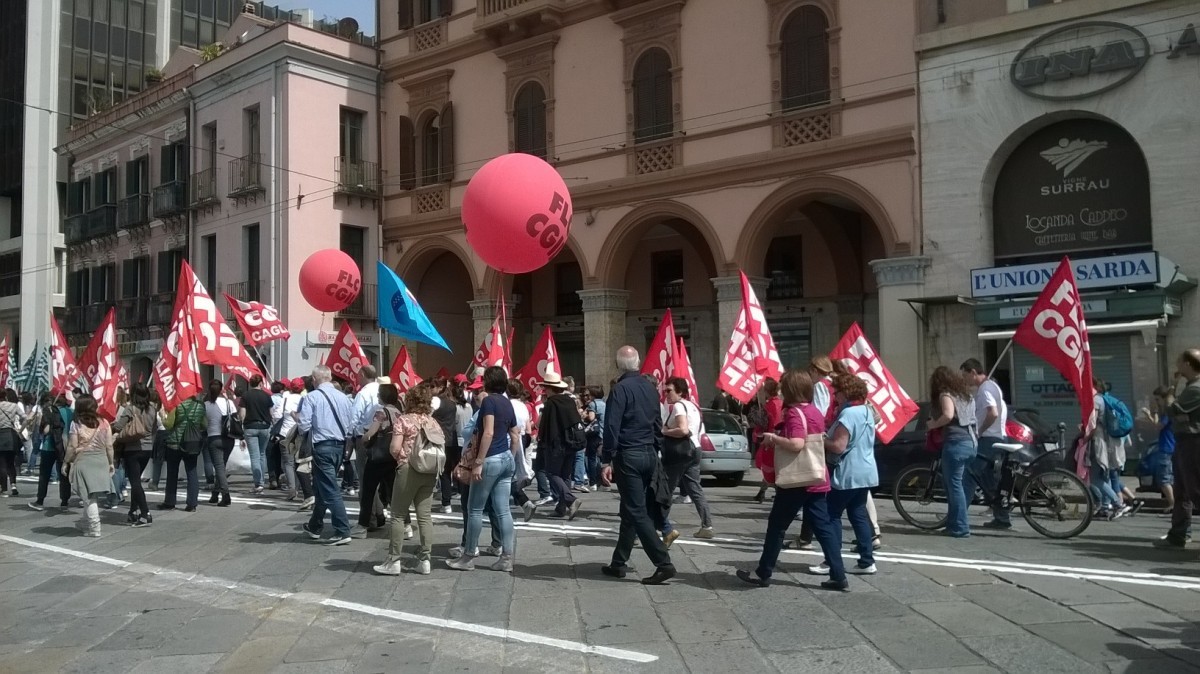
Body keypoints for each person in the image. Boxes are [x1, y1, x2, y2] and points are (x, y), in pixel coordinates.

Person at [738, 369, 846, 590]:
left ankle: (763, 572)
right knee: (823, 527)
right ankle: (839, 575)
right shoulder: (814, 411)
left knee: (777, 526)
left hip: (797, 480)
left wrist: (774, 438)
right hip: (816, 477)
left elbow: (797, 444)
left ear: (790, 389)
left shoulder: (796, 413)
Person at [600, 346, 675, 585]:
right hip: (649, 452)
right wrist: (656, 448)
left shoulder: (619, 389)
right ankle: (618, 562)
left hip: (629, 454)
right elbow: (657, 422)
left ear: (617, 364)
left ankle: (663, 563)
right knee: (631, 508)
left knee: (635, 510)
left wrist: (606, 458)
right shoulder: (650, 388)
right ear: (638, 361)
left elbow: (612, 426)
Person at [448, 367, 520, 572]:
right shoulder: (507, 402)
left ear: (488, 382)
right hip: (506, 458)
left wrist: (479, 461)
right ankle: (506, 558)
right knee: (503, 510)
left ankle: (469, 556)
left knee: (475, 509)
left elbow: (487, 432)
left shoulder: (489, 401)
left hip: (490, 458)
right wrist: (512, 459)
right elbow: (515, 435)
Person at [811, 374, 879, 578]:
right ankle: (867, 560)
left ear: (846, 392)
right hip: (866, 470)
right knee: (858, 514)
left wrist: (820, 439)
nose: (835, 396)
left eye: (837, 392)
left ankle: (831, 561)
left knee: (830, 515)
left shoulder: (848, 414)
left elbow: (838, 446)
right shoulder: (867, 411)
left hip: (848, 472)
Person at [375, 383, 444, 576]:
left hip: (409, 468)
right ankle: (425, 559)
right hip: (430, 470)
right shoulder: (433, 422)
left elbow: (395, 448)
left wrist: (400, 459)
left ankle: (394, 560)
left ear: (410, 400)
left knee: (397, 514)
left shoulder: (403, 420)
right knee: (425, 516)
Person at [299, 365, 357, 545]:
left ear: (314, 380)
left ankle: (342, 530)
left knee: (330, 489)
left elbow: (304, 425)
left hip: (322, 446)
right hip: (340, 446)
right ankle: (315, 525)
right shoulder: (344, 397)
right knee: (321, 486)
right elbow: (351, 423)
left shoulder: (312, 397)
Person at [659, 377, 714, 539]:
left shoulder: (678, 406)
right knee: (695, 489)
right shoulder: (693, 406)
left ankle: (660, 525)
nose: (666, 394)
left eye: (669, 391)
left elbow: (683, 430)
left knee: (666, 489)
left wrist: (664, 431)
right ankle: (707, 525)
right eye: (665, 391)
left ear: (680, 392)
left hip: (680, 452)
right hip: (695, 449)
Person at [928, 366, 978, 538]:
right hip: (971, 442)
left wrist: (933, 424)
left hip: (956, 443)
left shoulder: (946, 394)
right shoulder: (965, 395)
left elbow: (948, 415)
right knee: (958, 485)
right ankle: (952, 524)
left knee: (954, 486)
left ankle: (961, 527)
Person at [960, 359, 1010, 529]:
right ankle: (1002, 517)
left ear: (973, 372)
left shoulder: (985, 389)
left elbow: (993, 413)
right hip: (998, 438)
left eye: (965, 375)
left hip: (988, 439)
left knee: (969, 475)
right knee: (990, 480)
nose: (964, 379)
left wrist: (979, 432)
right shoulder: (993, 387)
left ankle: (959, 518)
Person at [1159, 349, 1200, 548]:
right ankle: (1179, 534)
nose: (1177, 364)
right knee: (1182, 490)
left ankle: (1180, 534)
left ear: (1189, 365)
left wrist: (1172, 390)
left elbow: (1171, 409)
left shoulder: (1196, 389)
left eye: (1180, 361)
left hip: (1193, 443)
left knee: (1195, 490)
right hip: (1184, 441)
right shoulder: (1191, 386)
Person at [63, 395, 114, 537]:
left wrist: (66, 462)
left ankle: (94, 526)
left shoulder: (76, 423)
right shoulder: (104, 422)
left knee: (87, 496)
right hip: (101, 460)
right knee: (92, 495)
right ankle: (85, 523)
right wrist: (111, 462)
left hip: (84, 461)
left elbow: (72, 445)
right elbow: (109, 445)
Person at [536, 373, 585, 521]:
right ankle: (561, 508)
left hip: (556, 444)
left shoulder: (551, 403)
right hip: (571, 443)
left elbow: (544, 426)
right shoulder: (569, 401)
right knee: (565, 475)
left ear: (550, 389)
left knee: (552, 473)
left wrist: (542, 441)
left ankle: (570, 500)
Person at [111, 384, 157, 527]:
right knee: (135, 480)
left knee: (135, 482)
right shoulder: (152, 409)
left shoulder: (130, 409)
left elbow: (119, 426)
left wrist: (112, 426)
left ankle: (145, 513)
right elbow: (154, 429)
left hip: (133, 448)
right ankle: (132, 512)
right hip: (148, 449)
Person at [359, 382, 401, 532]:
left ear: (383, 396)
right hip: (393, 457)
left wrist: (363, 439)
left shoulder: (381, 412)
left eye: (379, 394)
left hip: (378, 457)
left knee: (368, 491)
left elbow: (371, 433)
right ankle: (405, 524)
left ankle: (363, 524)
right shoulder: (398, 412)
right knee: (395, 493)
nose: (377, 396)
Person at [159, 392, 206, 512]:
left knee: (172, 473)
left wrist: (163, 416)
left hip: (175, 443)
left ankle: (170, 501)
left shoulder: (176, 405)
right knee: (192, 472)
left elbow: (169, 425)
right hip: (191, 443)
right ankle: (192, 504)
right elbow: (205, 425)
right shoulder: (200, 405)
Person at [1088, 378, 1125, 519]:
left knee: (1095, 478)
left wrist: (1084, 436)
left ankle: (1117, 503)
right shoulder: (1101, 399)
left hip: (1099, 442)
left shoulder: (1096, 401)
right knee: (1104, 476)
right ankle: (1105, 507)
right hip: (1106, 442)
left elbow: (1093, 424)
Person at [30, 394, 72, 511]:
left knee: (44, 475)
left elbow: (46, 430)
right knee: (64, 474)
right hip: (64, 446)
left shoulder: (49, 411)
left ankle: (40, 501)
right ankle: (64, 501)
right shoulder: (70, 412)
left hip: (49, 446)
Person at [1142, 386, 1177, 514]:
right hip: (1169, 447)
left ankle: (1173, 503)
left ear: (1164, 398)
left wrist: (1150, 415)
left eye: (1158, 399)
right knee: (1169, 477)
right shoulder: (1166, 411)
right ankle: (1174, 502)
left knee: (1163, 479)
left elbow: (1158, 427)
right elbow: (1158, 425)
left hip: (1167, 447)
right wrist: (1154, 414)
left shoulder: (1168, 411)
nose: (1156, 402)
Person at [239, 374, 275, 495]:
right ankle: (262, 482)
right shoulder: (267, 396)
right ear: (261, 384)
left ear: (250, 384)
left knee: (254, 456)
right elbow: (272, 413)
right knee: (262, 454)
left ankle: (258, 484)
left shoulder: (246, 395)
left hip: (250, 427)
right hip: (265, 426)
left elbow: (242, 414)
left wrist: (242, 425)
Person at [349, 366, 381, 498]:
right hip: (382, 436)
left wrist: (349, 438)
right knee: (379, 474)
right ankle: (380, 505)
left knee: (364, 474)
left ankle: (367, 510)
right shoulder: (382, 390)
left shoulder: (363, 393)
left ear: (362, 374)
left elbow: (354, 418)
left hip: (364, 437)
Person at [203, 380, 235, 507]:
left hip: (213, 437)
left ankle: (225, 495)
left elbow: (203, 424)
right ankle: (215, 494)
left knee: (219, 467)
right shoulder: (229, 402)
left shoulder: (206, 405)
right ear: (222, 389)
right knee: (221, 466)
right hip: (229, 438)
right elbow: (236, 418)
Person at [753, 379, 784, 503]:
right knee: (771, 466)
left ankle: (775, 492)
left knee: (770, 466)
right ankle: (763, 491)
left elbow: (773, 423)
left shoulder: (771, 405)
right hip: (776, 437)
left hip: (770, 438)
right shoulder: (780, 403)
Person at [432, 377, 460, 515]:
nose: (431, 390)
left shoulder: (436, 401)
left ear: (440, 388)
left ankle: (442, 501)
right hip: (450, 439)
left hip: (437, 439)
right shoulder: (452, 403)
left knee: (435, 471)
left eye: (433, 387)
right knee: (446, 472)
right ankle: (446, 502)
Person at [0, 388, 25, 496]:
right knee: (11, 463)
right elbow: (25, 418)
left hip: (0, 434)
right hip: (11, 434)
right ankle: (13, 485)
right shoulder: (13, 406)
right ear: (5, 395)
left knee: (2, 464)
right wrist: (21, 429)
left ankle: (4, 489)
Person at [582, 385, 606, 491]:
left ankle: (593, 482)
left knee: (591, 458)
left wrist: (584, 416)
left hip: (594, 434)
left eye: (589, 394)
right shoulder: (604, 404)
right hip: (603, 433)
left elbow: (591, 417)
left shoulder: (593, 404)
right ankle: (601, 481)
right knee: (601, 458)